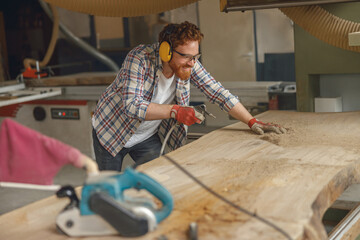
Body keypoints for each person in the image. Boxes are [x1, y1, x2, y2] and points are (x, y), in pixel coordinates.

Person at [92, 21, 286, 171]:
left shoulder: (189, 63)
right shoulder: (140, 59)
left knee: (159, 179)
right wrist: (175, 111)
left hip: (146, 137)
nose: (192, 63)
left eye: (195, 57)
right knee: (107, 191)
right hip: (112, 132)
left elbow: (218, 93)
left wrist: (252, 121)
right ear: (165, 51)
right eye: (186, 56)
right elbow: (132, 106)